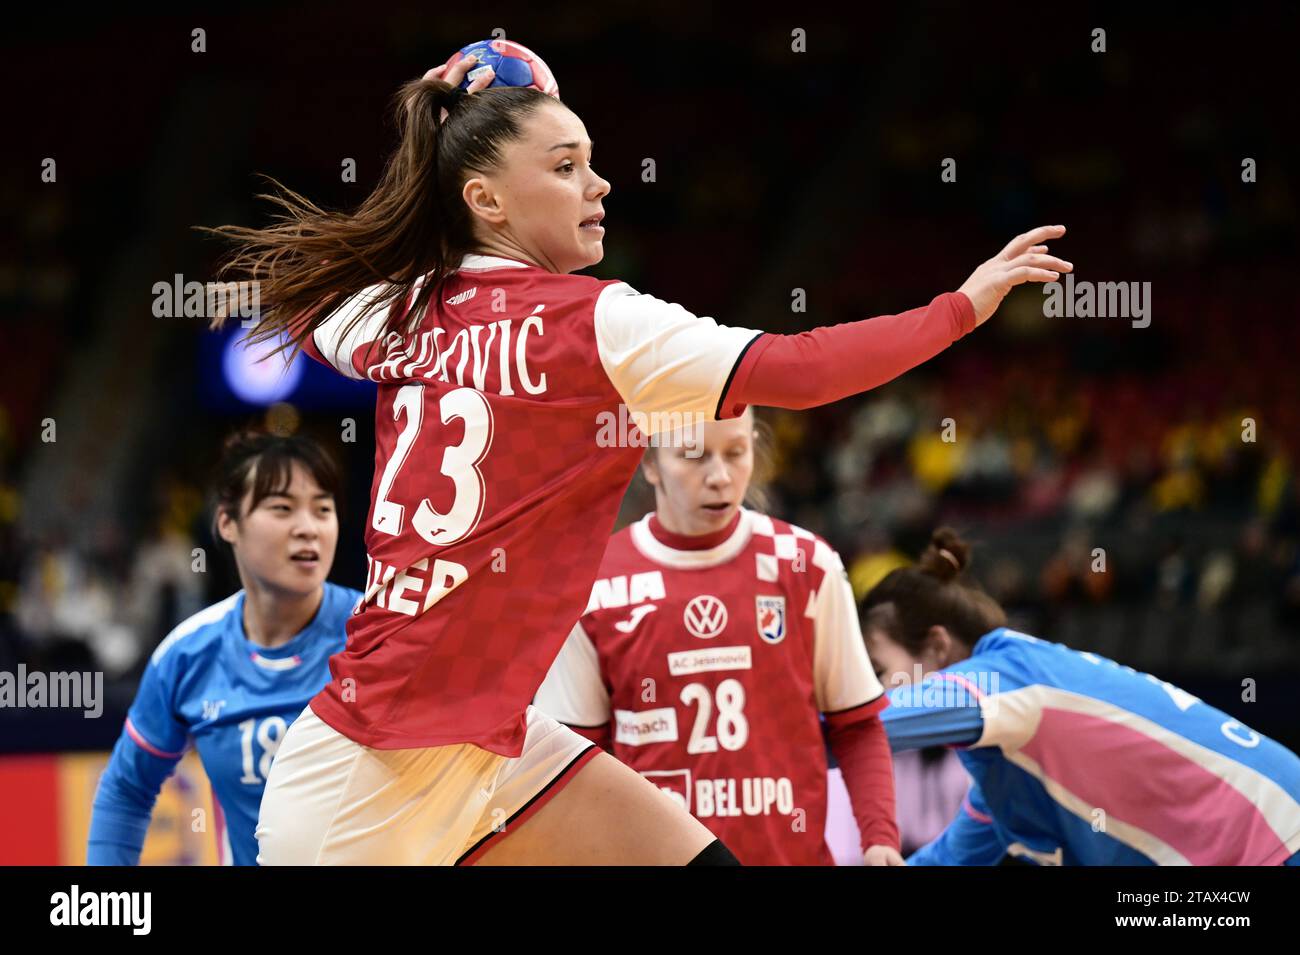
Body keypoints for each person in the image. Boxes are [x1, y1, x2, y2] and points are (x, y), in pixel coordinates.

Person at [208, 51, 1073, 865]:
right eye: (566, 166)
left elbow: (309, 316)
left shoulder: (399, 313)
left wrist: (431, 136)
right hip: (370, 772)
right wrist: (961, 306)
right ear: (487, 199)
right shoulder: (600, 324)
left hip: (488, 738)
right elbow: (802, 370)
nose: (600, 183)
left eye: (592, 161)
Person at [535, 409, 902, 865]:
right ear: (650, 463)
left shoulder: (807, 564)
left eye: (736, 453)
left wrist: (880, 838)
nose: (720, 477)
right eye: (693, 456)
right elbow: (579, 763)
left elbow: (858, 723)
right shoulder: (595, 586)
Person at [862, 528, 1300, 866]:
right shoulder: (1009, 772)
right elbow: (946, 860)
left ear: (937, 646)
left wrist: (796, 713)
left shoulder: (1006, 676)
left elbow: (862, 725)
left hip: (1276, 838)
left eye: (879, 671)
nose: (874, 689)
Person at [86, 431, 360, 865]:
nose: (308, 527)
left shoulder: (379, 634)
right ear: (228, 523)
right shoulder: (186, 656)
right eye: (282, 508)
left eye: (323, 509)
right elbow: (126, 790)